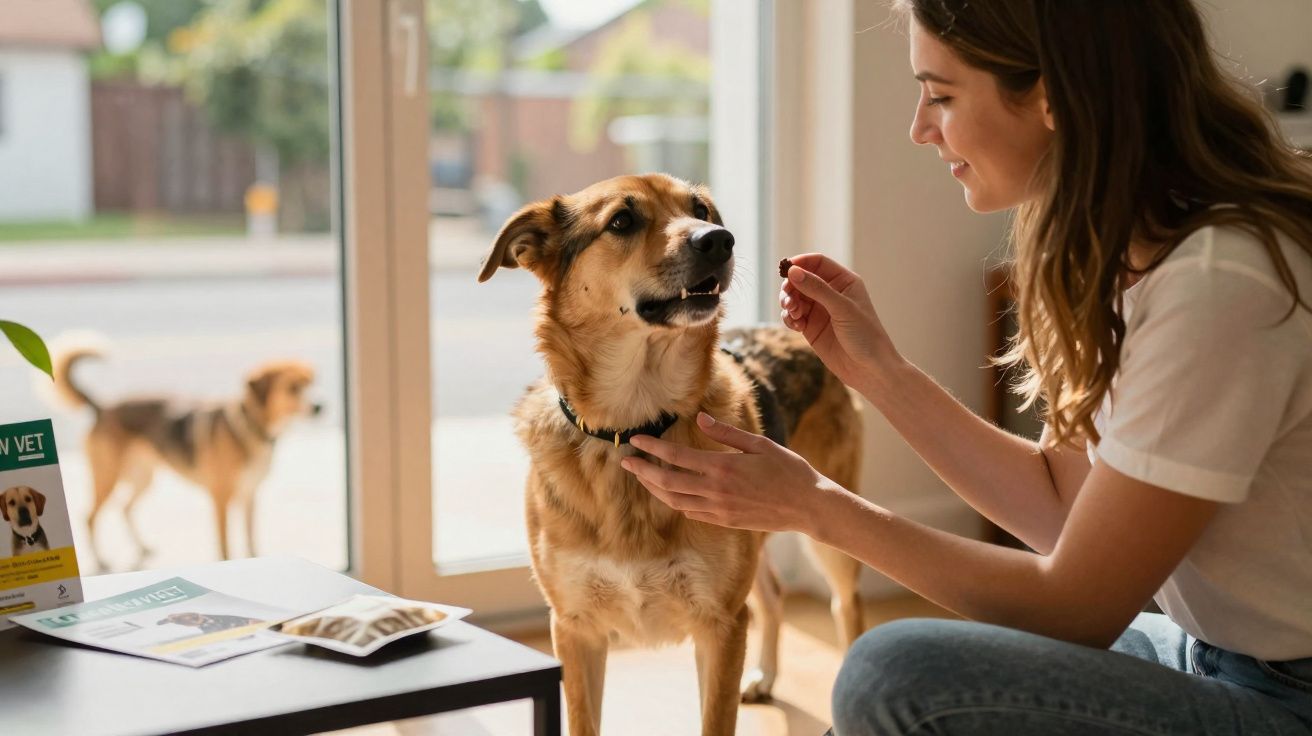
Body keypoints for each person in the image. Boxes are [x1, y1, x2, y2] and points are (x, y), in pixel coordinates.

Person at [618, 0, 1312, 733]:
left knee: (894, 674)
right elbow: (1062, 508)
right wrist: (881, 372)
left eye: (941, 95)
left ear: (1050, 94)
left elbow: (1078, 606)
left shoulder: (1217, 282)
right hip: (1212, 655)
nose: (920, 127)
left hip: (1287, 695)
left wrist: (812, 505)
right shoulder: (1133, 256)